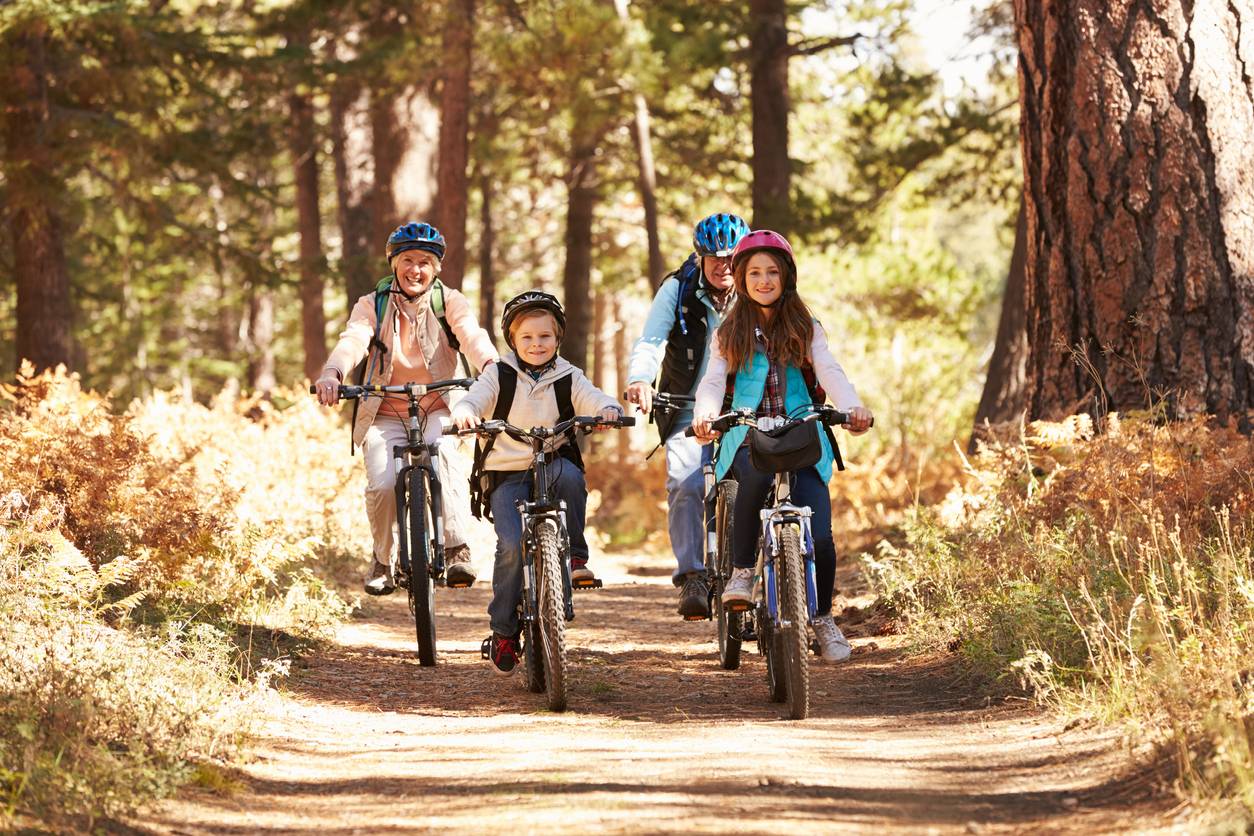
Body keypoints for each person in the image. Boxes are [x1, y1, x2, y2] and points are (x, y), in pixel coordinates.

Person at [691, 230, 873, 663]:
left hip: (801, 433)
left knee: (822, 533)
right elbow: (714, 381)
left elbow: (829, 370)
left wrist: (852, 408)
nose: (764, 279)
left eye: (772, 271)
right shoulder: (729, 330)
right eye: (754, 272)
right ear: (740, 277)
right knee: (750, 478)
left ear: (787, 276)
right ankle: (740, 573)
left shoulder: (805, 326)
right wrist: (706, 415)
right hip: (748, 431)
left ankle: (823, 618)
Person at [313, 222, 499, 596]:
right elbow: (354, 340)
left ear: (436, 269)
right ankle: (382, 559)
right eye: (408, 260)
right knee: (382, 485)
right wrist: (333, 371)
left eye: (425, 262)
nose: (416, 270)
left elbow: (472, 336)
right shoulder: (372, 304)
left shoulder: (450, 301)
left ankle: (456, 547)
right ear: (394, 264)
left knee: (446, 461)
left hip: (440, 406)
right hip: (384, 411)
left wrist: (492, 366)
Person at [451, 291, 623, 675]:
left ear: (557, 338)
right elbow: (473, 399)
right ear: (512, 340)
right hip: (507, 471)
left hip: (553, 460)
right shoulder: (499, 374)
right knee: (511, 545)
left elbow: (592, 398)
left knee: (573, 480)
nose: (536, 344)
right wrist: (465, 414)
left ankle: (575, 556)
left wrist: (608, 409)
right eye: (526, 337)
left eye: (544, 337)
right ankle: (504, 631)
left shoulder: (568, 375)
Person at [624, 212, 750, 620]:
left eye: (731, 257)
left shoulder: (757, 287)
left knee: (758, 485)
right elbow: (651, 341)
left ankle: (759, 575)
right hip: (685, 404)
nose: (722, 265)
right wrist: (641, 379)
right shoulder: (677, 290)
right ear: (699, 257)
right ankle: (692, 575)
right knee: (684, 482)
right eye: (712, 257)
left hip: (744, 405)